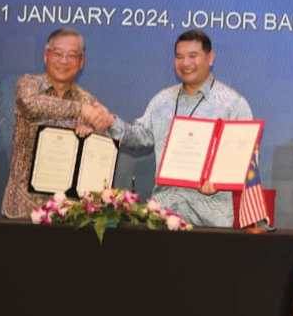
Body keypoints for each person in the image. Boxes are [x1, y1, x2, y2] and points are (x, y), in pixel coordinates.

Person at [98, 30, 252, 227]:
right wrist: (110, 121)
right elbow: (139, 138)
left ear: (210, 57)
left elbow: (241, 159)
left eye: (193, 56)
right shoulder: (162, 100)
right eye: (179, 57)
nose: (185, 63)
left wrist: (218, 181)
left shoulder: (233, 104)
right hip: (162, 214)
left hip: (210, 219)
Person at [1, 27, 114, 218]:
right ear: (46, 56)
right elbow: (31, 105)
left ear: (81, 62)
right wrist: (79, 110)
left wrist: (92, 136)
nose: (63, 61)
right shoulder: (29, 84)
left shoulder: (88, 100)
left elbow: (100, 153)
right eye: (58, 54)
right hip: (22, 208)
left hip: (68, 213)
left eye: (71, 55)